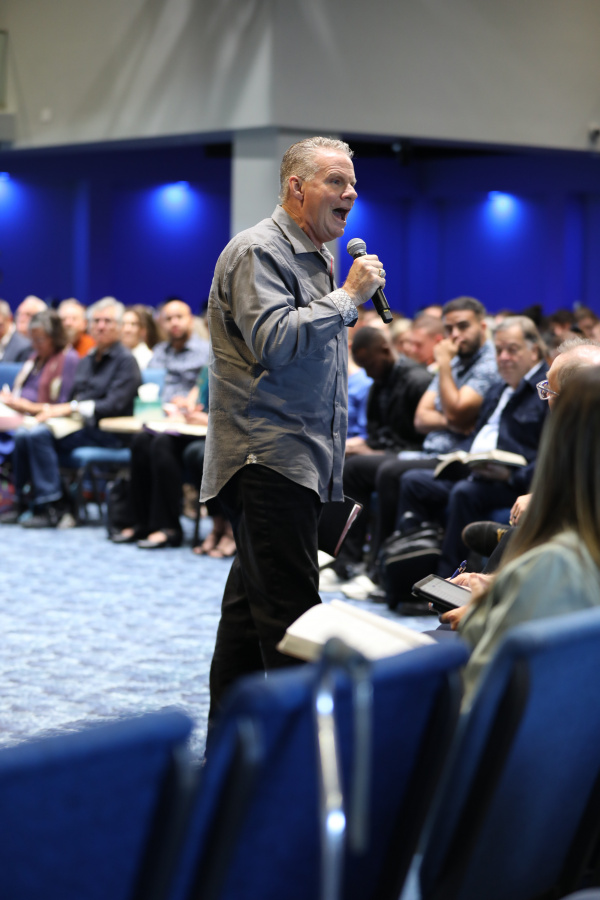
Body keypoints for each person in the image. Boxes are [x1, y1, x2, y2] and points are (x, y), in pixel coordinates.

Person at [201, 135, 387, 729]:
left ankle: (230, 755)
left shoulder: (318, 257)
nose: (350, 193)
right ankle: (298, 763)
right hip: (267, 459)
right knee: (294, 622)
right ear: (296, 187)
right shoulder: (259, 251)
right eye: (336, 181)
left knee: (247, 620)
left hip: (302, 461)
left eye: (352, 183)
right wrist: (349, 297)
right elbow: (275, 342)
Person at [453, 367, 600, 709]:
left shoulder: (555, 564)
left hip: (515, 727)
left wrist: (482, 610)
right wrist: (504, 587)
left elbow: (480, 689)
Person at [395, 316, 549, 576]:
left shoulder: (544, 394)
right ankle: (406, 571)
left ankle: (447, 578)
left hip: (511, 482)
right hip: (477, 470)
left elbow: (548, 457)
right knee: (413, 481)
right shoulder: (498, 388)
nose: (503, 357)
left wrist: (510, 475)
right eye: (499, 350)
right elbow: (478, 435)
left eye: (512, 350)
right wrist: (458, 458)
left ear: (533, 351)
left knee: (464, 493)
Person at [370, 296, 500, 566]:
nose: (455, 335)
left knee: (392, 473)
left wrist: (444, 367)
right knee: (360, 468)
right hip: (433, 451)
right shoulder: (455, 360)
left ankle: (383, 566)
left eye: (463, 326)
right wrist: (452, 421)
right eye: (449, 329)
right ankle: (386, 566)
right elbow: (421, 418)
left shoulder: (488, 364)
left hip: (458, 459)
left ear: (483, 327)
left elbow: (455, 411)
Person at [4, 297, 140, 527]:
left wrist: (71, 408)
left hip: (109, 433)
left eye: (107, 321)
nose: (101, 326)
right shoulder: (87, 359)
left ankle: (53, 506)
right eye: (96, 321)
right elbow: (73, 399)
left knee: (38, 434)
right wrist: (57, 411)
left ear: (118, 326)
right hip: (79, 426)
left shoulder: (126, 361)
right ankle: (24, 502)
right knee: (25, 434)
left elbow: (113, 405)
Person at [324, 325, 432, 586]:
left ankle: (375, 567)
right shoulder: (379, 383)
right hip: (389, 453)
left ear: (385, 350)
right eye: (363, 367)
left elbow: (423, 440)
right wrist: (361, 445)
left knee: (367, 469)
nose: (368, 372)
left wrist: (375, 450)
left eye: (370, 364)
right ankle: (343, 560)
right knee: (342, 460)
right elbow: (376, 432)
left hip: (416, 455)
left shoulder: (418, 380)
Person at [148, 298, 209, 400]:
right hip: (161, 406)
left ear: (191, 320)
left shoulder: (207, 351)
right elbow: (150, 383)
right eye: (168, 319)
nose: (174, 323)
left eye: (179, 317)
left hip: (193, 406)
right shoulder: (159, 351)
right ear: (161, 324)